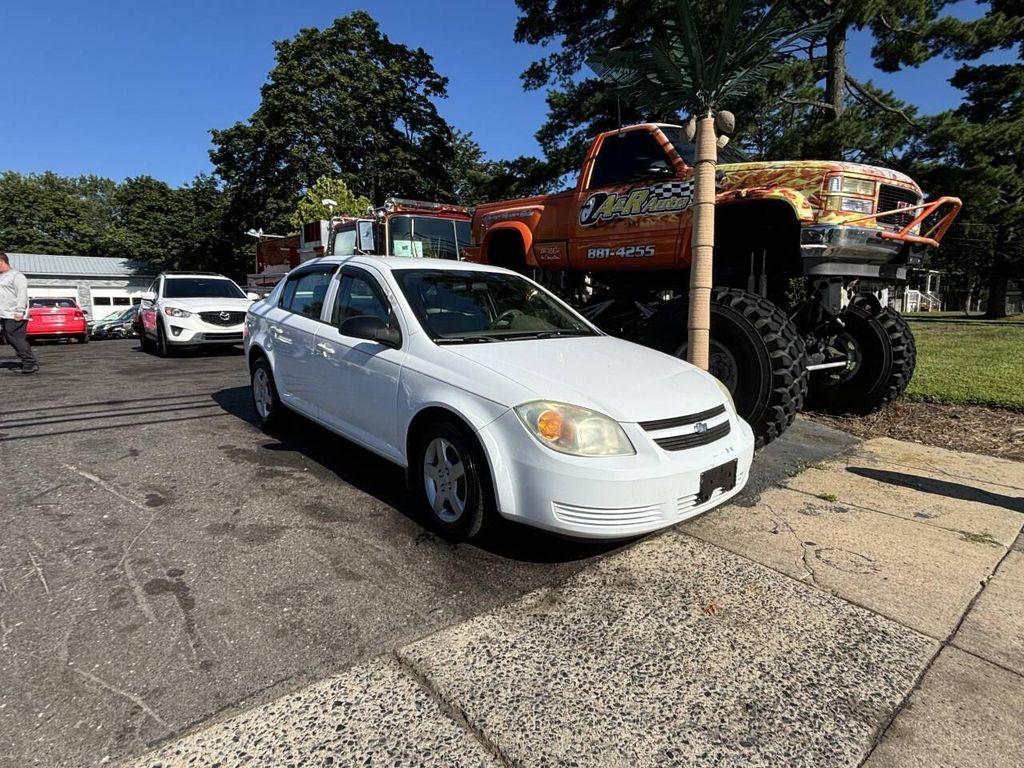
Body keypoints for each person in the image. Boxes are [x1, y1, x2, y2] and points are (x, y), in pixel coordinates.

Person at [0, 252, 39, 374]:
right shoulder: (1, 277)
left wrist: (19, 311)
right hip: (4, 313)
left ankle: (30, 362)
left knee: (15, 338)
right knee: (11, 338)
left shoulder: (16, 276)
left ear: (1, 262)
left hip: (15, 314)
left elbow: (22, 294)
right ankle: (27, 361)